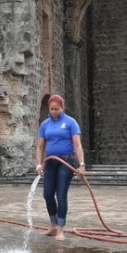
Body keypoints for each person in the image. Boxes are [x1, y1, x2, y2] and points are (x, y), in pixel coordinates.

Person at [35, 94, 86, 241]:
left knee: (61, 194)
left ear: (62, 108)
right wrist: (39, 163)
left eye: (56, 109)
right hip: (51, 162)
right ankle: (53, 224)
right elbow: (40, 146)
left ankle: (60, 229)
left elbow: (77, 145)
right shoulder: (45, 124)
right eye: (51, 109)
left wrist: (82, 164)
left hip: (67, 162)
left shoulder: (70, 122)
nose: (53, 111)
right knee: (47, 194)